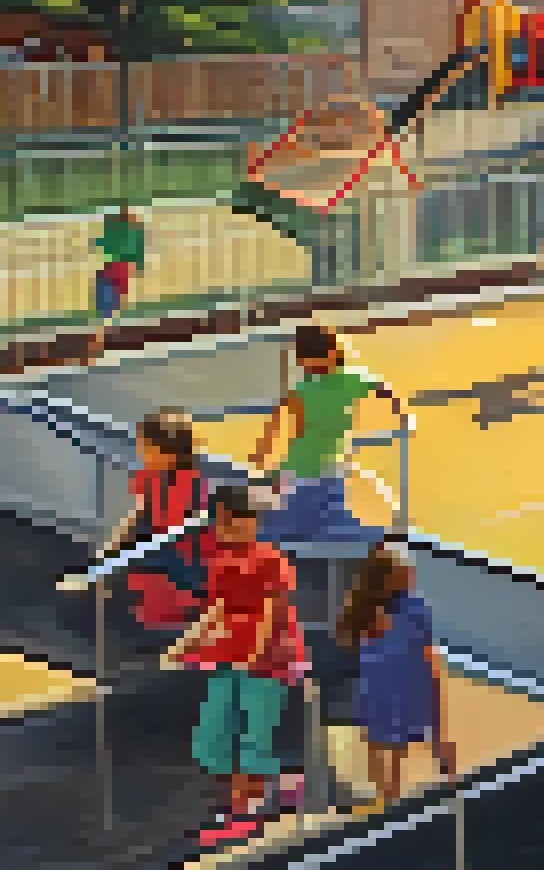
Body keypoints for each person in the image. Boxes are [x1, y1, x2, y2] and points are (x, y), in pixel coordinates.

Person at [162, 488, 306, 842]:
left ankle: (244, 814)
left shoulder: (272, 561)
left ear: (249, 521)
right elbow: (217, 610)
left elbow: (272, 614)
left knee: (250, 739)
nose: (225, 528)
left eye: (231, 520)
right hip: (232, 659)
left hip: (270, 662)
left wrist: (253, 654)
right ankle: (270, 789)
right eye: (221, 522)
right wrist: (184, 644)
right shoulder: (221, 563)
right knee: (215, 735)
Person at [252, 324, 406, 545]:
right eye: (304, 358)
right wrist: (268, 465)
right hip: (301, 471)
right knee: (300, 523)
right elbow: (283, 427)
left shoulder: (350, 380)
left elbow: (383, 389)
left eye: (309, 357)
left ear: (331, 353)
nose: (306, 364)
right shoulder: (304, 388)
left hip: (328, 470)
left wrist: (402, 415)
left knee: (313, 521)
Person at [338, 539, 455, 809]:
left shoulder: (363, 605)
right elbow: (428, 652)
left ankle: (388, 797)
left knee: (378, 741)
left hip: (378, 687)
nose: (411, 572)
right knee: (402, 742)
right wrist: (435, 689)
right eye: (406, 568)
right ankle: (396, 794)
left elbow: (351, 643)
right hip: (402, 685)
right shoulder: (411, 607)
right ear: (394, 575)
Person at [97, 409, 218, 631]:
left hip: (179, 561)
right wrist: (110, 555)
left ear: (168, 453)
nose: (141, 454)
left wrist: (122, 554)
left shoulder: (187, 487)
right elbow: (137, 518)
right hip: (156, 554)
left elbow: (172, 536)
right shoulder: (152, 476)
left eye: (146, 449)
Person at [94, 206, 146, 323]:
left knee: (110, 290)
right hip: (117, 264)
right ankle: (108, 317)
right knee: (113, 291)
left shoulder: (115, 228)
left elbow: (102, 242)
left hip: (115, 264)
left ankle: (107, 317)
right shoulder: (132, 230)